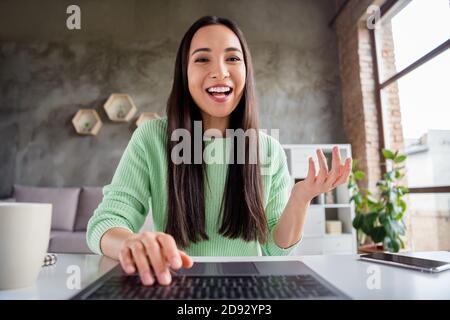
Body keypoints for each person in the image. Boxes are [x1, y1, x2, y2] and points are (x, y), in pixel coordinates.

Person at [86, 15, 352, 287]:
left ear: (246, 71)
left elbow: (276, 249)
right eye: (202, 59)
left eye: (233, 59)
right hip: (176, 287)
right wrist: (131, 242)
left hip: (250, 289)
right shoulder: (152, 138)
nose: (220, 71)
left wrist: (301, 196)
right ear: (184, 73)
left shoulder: (268, 149)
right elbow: (105, 223)